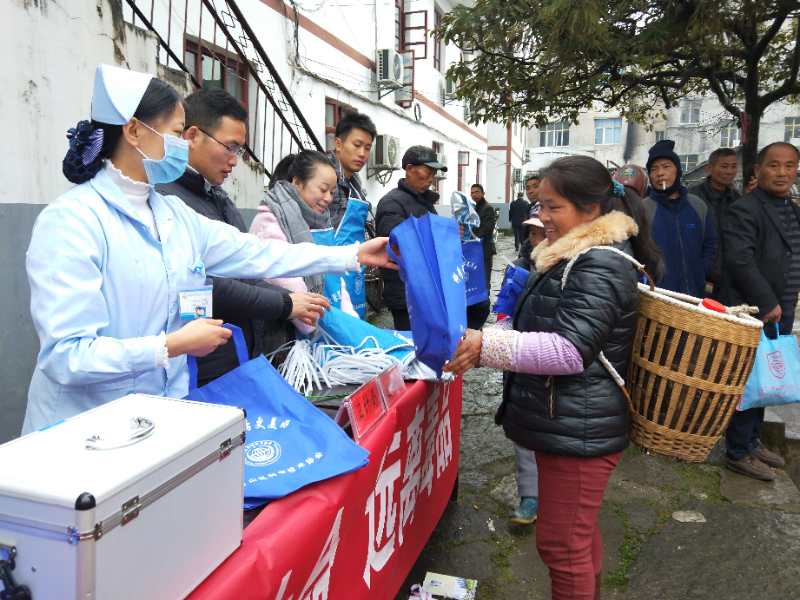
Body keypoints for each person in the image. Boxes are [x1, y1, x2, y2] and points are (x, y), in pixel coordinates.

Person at [22, 64, 394, 434]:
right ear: (134, 131)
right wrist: (169, 346)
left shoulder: (173, 214)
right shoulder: (73, 221)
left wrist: (352, 255)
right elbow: (67, 355)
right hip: (85, 430)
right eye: (175, 133)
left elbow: (258, 253)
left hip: (160, 416)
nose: (183, 144)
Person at [444, 155, 663, 600]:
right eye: (540, 205)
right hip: (565, 421)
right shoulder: (568, 256)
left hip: (580, 428)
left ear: (591, 209)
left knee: (562, 546)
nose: (541, 216)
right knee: (576, 538)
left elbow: (569, 351)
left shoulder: (599, 265)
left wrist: (486, 346)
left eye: (552, 207)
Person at [156, 88, 327, 385]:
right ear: (192, 136)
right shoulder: (167, 201)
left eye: (239, 150)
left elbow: (249, 267)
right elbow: (207, 283)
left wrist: (293, 299)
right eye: (230, 147)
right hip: (199, 368)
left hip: (236, 354)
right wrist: (286, 304)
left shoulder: (216, 196)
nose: (235, 160)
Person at [720, 142, 800, 481]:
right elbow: (739, 260)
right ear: (758, 169)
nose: (782, 173)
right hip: (756, 309)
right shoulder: (745, 209)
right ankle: (737, 450)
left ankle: (752, 440)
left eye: (789, 165)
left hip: (783, 306)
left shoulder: (790, 208)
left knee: (768, 375)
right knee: (748, 380)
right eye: (774, 165)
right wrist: (767, 303)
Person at [250, 150, 355, 322]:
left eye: (332, 192)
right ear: (297, 182)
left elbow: (336, 279)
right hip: (290, 324)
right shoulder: (270, 219)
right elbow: (285, 279)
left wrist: (350, 322)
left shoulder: (322, 222)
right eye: (323, 189)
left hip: (327, 319)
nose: (328, 198)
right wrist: (324, 324)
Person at [375, 145, 447, 330]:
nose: (431, 177)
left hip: (427, 290)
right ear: (409, 168)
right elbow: (397, 247)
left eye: (434, 173)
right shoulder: (392, 203)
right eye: (428, 171)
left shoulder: (424, 201)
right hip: (406, 293)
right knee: (412, 343)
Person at [508, 209, 546, 526]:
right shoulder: (519, 268)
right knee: (524, 427)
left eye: (541, 232)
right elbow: (504, 310)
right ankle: (529, 495)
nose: (535, 239)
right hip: (522, 362)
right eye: (532, 233)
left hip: (557, 363)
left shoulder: (578, 268)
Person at [642, 139, 716, 297]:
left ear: (678, 171)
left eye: (666, 166)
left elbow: (710, 243)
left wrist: (701, 270)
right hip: (658, 297)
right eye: (654, 169)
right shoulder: (643, 209)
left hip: (695, 295)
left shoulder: (698, 205)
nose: (660, 173)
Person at [689, 148, 741, 290]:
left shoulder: (737, 199)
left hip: (730, 276)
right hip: (700, 274)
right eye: (724, 166)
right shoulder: (693, 197)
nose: (729, 171)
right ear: (709, 169)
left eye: (733, 166)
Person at [329, 112, 376, 229]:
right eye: (357, 145)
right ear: (338, 144)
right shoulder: (322, 176)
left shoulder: (355, 182)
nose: (362, 154)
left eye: (367, 148)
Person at [466, 183, 496, 329]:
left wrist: (471, 237)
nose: (474, 194)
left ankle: (484, 306)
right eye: (472, 192)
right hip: (473, 250)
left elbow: (486, 229)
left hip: (484, 250)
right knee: (475, 278)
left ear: (483, 193)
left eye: (477, 192)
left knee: (484, 279)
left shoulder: (487, 208)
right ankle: (475, 305)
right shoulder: (473, 208)